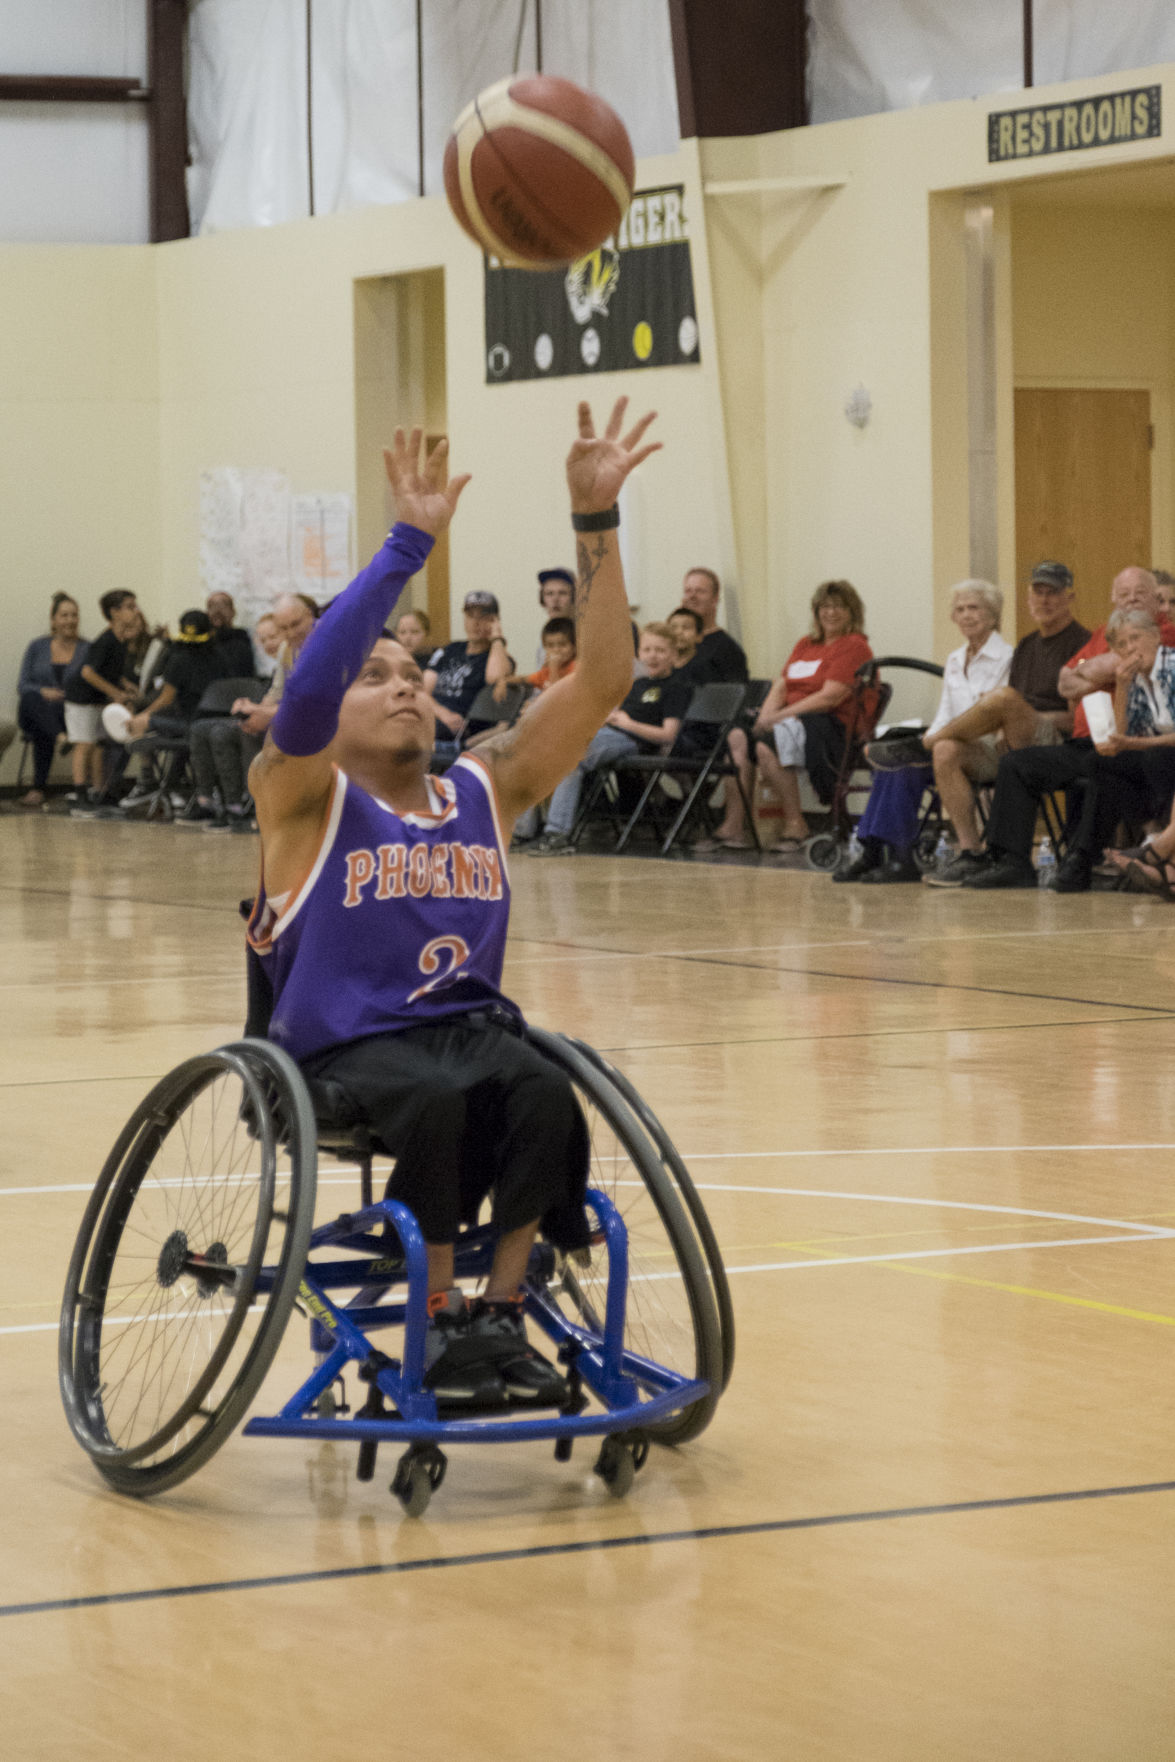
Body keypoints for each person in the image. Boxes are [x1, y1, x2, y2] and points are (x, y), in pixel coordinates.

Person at [247, 399, 659, 1405]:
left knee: (539, 1092)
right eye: (371, 675)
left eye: (411, 675)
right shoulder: (301, 794)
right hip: (346, 1049)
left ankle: (495, 1315)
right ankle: (433, 1313)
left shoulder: (488, 782)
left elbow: (605, 676)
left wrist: (593, 521)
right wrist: (404, 547)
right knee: (435, 1102)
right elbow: (304, 699)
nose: (399, 686)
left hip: (465, 1028)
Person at [956, 566, 1175, 891]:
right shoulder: (1105, 634)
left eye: (1139, 594)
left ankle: (1088, 858)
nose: (1131, 601)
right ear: (1113, 599)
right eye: (1123, 595)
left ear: (1156, 601)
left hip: (1138, 747)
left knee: (1108, 763)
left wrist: (1095, 670)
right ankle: (1010, 861)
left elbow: (1105, 668)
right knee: (1018, 763)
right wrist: (1095, 670)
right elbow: (1066, 681)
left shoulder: (1163, 634)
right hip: (1093, 740)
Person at [840, 580, 1011, 883]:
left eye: (974, 607)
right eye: (960, 609)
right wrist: (920, 739)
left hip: (985, 751)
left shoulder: (1008, 657)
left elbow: (992, 718)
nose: (967, 615)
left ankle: (902, 853)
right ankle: (879, 850)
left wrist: (938, 738)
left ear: (993, 613)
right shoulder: (956, 659)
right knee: (895, 760)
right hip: (948, 749)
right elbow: (945, 713)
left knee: (936, 750)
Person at [712, 580, 872, 852]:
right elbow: (782, 684)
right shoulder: (806, 644)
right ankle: (735, 825)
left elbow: (829, 697)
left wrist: (779, 717)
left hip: (829, 724)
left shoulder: (854, 646)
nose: (830, 613)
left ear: (852, 612)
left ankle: (796, 824)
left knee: (767, 743)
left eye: (838, 607)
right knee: (738, 736)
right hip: (791, 718)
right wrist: (766, 715)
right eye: (825, 606)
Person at [526, 620, 688, 855]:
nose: (653, 656)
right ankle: (523, 831)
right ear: (639, 653)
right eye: (647, 650)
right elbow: (613, 714)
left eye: (660, 651)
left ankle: (557, 834)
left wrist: (628, 723)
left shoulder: (675, 687)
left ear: (673, 655)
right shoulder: (636, 682)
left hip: (633, 740)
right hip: (609, 732)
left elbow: (668, 735)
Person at [181, 593, 317, 829]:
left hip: (309, 720)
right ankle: (221, 803)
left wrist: (265, 713)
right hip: (285, 713)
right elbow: (277, 691)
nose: (291, 633)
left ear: (311, 616)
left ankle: (253, 804)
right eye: (284, 628)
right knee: (211, 728)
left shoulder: (323, 647)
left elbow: (310, 700)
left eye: (296, 625)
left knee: (243, 733)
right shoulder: (288, 650)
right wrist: (255, 709)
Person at [62, 590, 141, 802]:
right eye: (130, 606)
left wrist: (126, 686)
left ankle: (99, 791)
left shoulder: (121, 640)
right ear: (114, 612)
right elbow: (88, 672)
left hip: (96, 700)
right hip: (81, 700)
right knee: (84, 744)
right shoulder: (105, 641)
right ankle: (80, 795)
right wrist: (116, 694)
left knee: (98, 745)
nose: (136, 611)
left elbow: (111, 672)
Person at [16, 593, 88, 807]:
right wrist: (43, 691)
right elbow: (23, 684)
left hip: (71, 712)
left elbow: (93, 683)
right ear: (53, 619)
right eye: (64, 615)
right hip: (37, 709)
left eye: (74, 615)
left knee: (44, 728)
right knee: (32, 698)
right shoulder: (36, 647)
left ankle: (38, 789)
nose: (70, 620)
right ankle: (60, 737)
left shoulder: (87, 648)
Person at [424, 591, 513, 750]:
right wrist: (442, 713)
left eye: (483, 617)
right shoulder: (450, 649)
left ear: (495, 621)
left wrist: (497, 639)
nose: (475, 622)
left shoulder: (499, 658)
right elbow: (421, 690)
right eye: (470, 616)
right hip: (433, 718)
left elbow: (495, 678)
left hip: (461, 731)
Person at [206, 591, 256, 678]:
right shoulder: (203, 644)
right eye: (212, 606)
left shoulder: (243, 639)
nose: (217, 610)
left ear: (233, 612)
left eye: (223, 605)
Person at [667, 605, 704, 679]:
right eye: (673, 627)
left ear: (699, 636)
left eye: (686, 627)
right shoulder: (659, 667)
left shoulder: (704, 668)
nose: (679, 632)